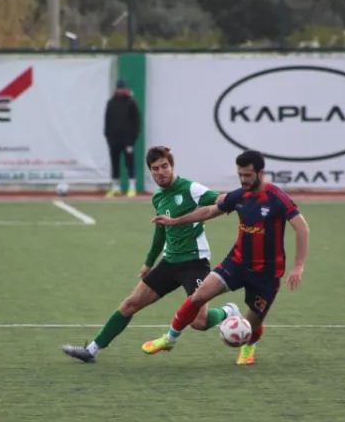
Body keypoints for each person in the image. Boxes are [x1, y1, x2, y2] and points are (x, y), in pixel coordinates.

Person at [62, 146, 240, 363]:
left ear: (172, 166)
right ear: (150, 171)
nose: (161, 172)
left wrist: (240, 198)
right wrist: (148, 262)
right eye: (155, 169)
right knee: (130, 304)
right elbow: (160, 232)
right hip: (169, 262)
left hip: (195, 262)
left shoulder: (191, 189)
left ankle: (228, 311)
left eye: (164, 166)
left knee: (199, 322)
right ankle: (91, 350)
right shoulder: (158, 198)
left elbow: (220, 200)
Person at [145, 150, 310, 366]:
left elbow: (302, 228)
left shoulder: (276, 197)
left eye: (248, 175)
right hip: (237, 262)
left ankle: (248, 346)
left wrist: (298, 266)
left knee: (253, 325)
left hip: (267, 273)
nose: (243, 180)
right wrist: (175, 221)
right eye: (240, 175)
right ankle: (170, 339)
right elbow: (208, 211)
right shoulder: (239, 196)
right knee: (198, 296)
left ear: (260, 173)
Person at [103, 79, 140, 198]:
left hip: (127, 140)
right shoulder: (111, 103)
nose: (120, 90)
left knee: (129, 162)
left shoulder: (131, 103)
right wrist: (108, 136)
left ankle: (132, 187)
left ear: (125, 89)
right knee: (115, 163)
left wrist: (133, 138)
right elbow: (107, 120)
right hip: (114, 139)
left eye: (122, 88)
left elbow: (136, 122)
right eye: (119, 88)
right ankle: (116, 188)